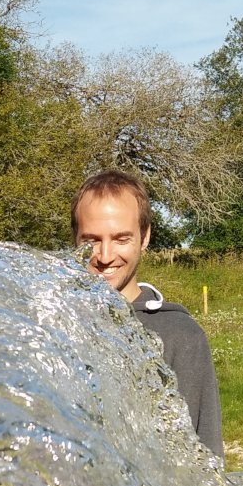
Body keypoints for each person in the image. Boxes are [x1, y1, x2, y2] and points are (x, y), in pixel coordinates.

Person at [71, 169, 224, 458]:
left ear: (145, 237)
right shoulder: (52, 326)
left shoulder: (180, 336)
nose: (105, 256)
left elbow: (206, 460)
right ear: (75, 240)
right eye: (91, 240)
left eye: (121, 238)